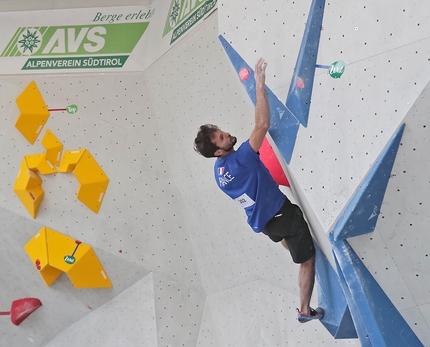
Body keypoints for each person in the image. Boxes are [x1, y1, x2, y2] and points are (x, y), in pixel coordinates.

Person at [193, 58, 324, 323]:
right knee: (307, 260)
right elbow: (262, 125)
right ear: (218, 151)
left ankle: (295, 250)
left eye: (221, 131)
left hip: (264, 224)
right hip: (280, 215)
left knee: (287, 241)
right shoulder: (241, 157)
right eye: (221, 137)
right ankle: (305, 310)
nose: (227, 133)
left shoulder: (219, 173)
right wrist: (260, 86)